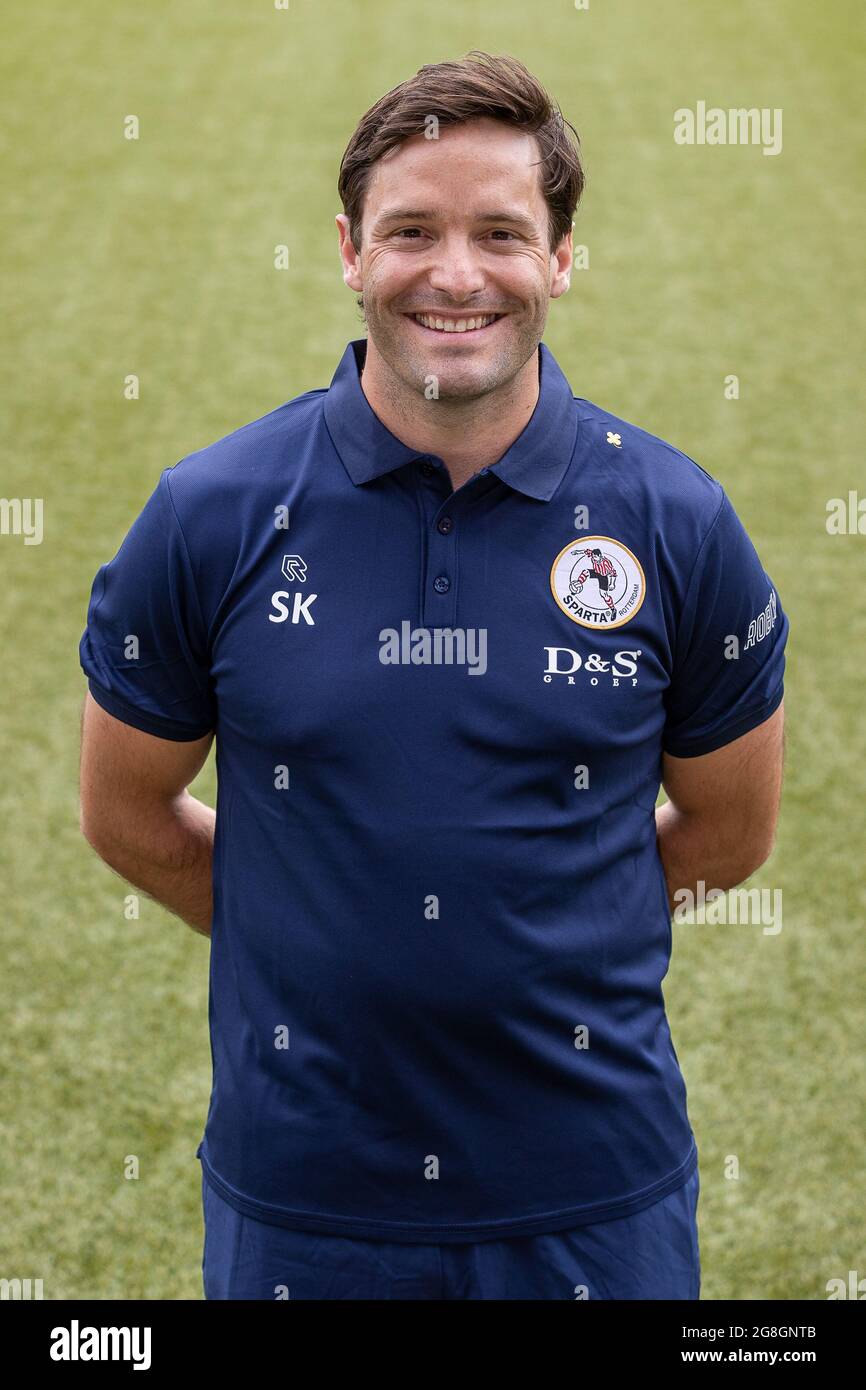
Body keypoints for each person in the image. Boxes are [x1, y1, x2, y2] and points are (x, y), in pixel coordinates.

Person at [78, 51, 788, 1300]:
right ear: (350, 251)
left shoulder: (676, 520)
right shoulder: (210, 513)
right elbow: (125, 814)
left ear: (561, 260)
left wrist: (542, 940)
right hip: (304, 1199)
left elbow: (728, 835)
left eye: (501, 233)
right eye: (411, 231)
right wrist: (312, 940)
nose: (455, 274)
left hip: (591, 1198)